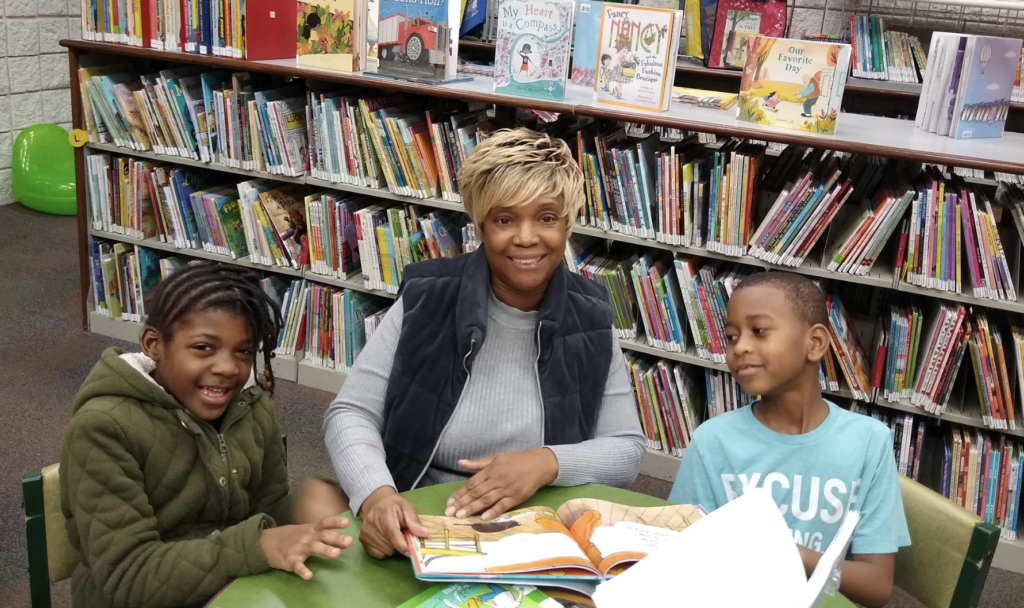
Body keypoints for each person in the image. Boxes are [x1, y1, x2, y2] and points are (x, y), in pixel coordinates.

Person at [324, 128, 646, 560]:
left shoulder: (590, 318)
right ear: (479, 226)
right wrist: (375, 496)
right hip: (418, 525)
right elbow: (351, 412)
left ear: (568, 222)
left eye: (546, 218)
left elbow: (626, 449)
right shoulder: (428, 297)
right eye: (505, 219)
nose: (527, 238)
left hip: (535, 534)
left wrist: (544, 463)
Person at [60, 263, 350, 608]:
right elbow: (130, 576)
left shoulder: (253, 409)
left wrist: (300, 507)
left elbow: (263, 512)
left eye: (243, 351)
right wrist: (255, 547)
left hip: (232, 590)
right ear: (154, 344)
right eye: (203, 348)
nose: (229, 367)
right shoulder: (102, 430)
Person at [668, 272, 909, 608]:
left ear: (815, 343)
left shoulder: (869, 442)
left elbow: (877, 586)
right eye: (731, 336)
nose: (741, 347)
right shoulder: (712, 441)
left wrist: (783, 551)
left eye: (759, 330)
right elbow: (680, 558)